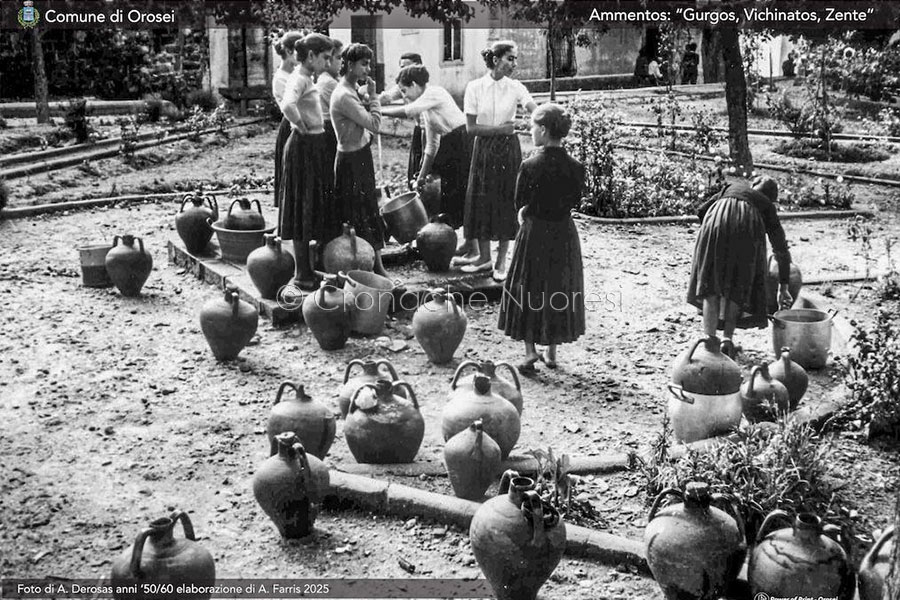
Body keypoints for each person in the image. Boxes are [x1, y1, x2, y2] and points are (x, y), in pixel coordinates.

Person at [498, 103, 585, 372]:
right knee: (558, 287)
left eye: (534, 127)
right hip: (563, 233)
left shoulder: (529, 166)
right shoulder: (576, 167)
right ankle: (552, 352)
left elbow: (519, 202)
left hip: (535, 233)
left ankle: (529, 352)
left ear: (544, 130)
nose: (531, 131)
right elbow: (575, 200)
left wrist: (525, 212)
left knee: (528, 286)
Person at [686, 175, 794, 358]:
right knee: (738, 284)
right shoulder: (766, 205)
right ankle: (727, 339)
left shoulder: (731, 187)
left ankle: (710, 341)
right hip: (746, 231)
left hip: (715, 223)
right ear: (772, 198)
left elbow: (702, 211)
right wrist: (784, 287)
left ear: (753, 186)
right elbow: (781, 249)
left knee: (711, 284)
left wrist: (716, 227)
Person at [457, 41, 537, 282]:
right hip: (483, 149)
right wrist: (501, 129)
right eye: (510, 58)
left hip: (508, 150)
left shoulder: (516, 87)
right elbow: (471, 128)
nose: (515, 64)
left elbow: (533, 108)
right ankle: (484, 258)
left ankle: (501, 261)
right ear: (495, 60)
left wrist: (544, 117)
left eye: (515, 59)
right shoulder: (475, 87)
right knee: (480, 199)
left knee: (505, 199)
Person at [381, 65, 472, 229]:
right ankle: (454, 235)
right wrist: (421, 177)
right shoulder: (427, 109)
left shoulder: (434, 92)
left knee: (460, 191)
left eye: (404, 91)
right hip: (451, 143)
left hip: (462, 141)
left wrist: (380, 112)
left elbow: (408, 111)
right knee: (448, 193)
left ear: (414, 85)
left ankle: (466, 238)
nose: (404, 96)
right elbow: (431, 147)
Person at [330, 43, 390, 278]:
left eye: (369, 64)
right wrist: (373, 96)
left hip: (358, 156)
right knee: (359, 213)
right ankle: (367, 268)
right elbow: (375, 124)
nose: (368, 69)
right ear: (350, 64)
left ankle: (374, 266)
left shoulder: (351, 89)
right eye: (364, 64)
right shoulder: (344, 95)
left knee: (368, 210)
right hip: (352, 161)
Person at [279, 33, 334, 289]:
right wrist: (300, 126)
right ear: (311, 56)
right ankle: (302, 273)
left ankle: (310, 268)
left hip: (313, 145)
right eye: (325, 57)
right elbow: (287, 105)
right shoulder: (299, 78)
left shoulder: (306, 78)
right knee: (302, 206)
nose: (328, 62)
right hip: (304, 146)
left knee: (311, 204)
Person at [380, 53, 425, 188]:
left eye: (406, 67)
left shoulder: (424, 86)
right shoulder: (404, 84)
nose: (403, 71)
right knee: (415, 166)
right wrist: (369, 99)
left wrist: (381, 111)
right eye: (401, 68)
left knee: (427, 168)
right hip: (419, 128)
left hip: (432, 130)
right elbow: (386, 97)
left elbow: (409, 111)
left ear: (418, 66)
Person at [271, 31, 303, 209]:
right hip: (291, 125)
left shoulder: (296, 73)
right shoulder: (280, 78)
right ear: (290, 52)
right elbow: (295, 106)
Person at [316, 38, 344, 174]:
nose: (342, 62)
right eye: (338, 58)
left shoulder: (334, 79)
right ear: (328, 60)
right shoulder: (328, 82)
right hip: (330, 129)